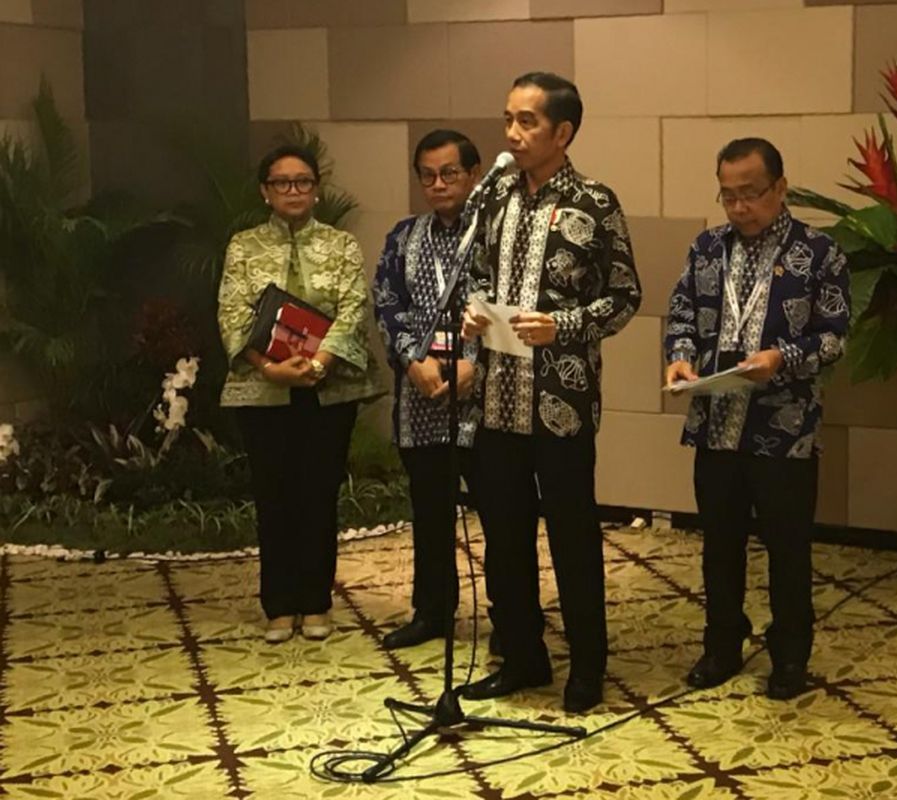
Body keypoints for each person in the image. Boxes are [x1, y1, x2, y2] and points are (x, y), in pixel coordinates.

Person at [461, 72, 641, 713]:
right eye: (508, 118)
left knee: (571, 535)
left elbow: (625, 298)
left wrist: (561, 324)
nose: (512, 133)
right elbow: (473, 277)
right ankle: (523, 656)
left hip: (560, 403)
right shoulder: (494, 199)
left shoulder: (595, 201)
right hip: (496, 398)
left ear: (563, 132)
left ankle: (587, 666)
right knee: (504, 537)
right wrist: (473, 312)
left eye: (528, 122)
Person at [663, 138, 849, 700]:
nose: (739, 207)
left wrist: (783, 358)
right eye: (728, 195)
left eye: (751, 193)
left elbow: (836, 336)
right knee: (719, 543)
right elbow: (680, 315)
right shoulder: (707, 248)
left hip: (784, 428)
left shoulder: (819, 253)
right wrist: (678, 355)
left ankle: (790, 655)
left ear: (780, 188)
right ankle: (723, 643)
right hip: (716, 421)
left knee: (788, 547)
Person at [217, 144, 386, 644]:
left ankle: (315, 602)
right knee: (274, 497)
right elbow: (231, 314)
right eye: (282, 183)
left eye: (303, 182)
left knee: (318, 494)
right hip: (262, 390)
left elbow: (354, 308)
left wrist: (317, 363)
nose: (294, 191)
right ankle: (278, 604)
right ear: (265, 192)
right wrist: (270, 368)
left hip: (327, 390)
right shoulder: (242, 247)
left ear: (316, 190)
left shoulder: (340, 246)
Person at [373, 129, 484, 650]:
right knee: (431, 512)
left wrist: (474, 364)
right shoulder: (403, 236)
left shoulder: (493, 234)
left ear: (474, 174)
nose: (438, 185)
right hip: (421, 395)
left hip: (485, 399)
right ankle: (432, 611)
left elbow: (507, 307)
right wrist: (411, 358)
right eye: (428, 176)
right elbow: (387, 302)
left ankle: (508, 617)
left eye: (449, 173)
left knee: (501, 514)